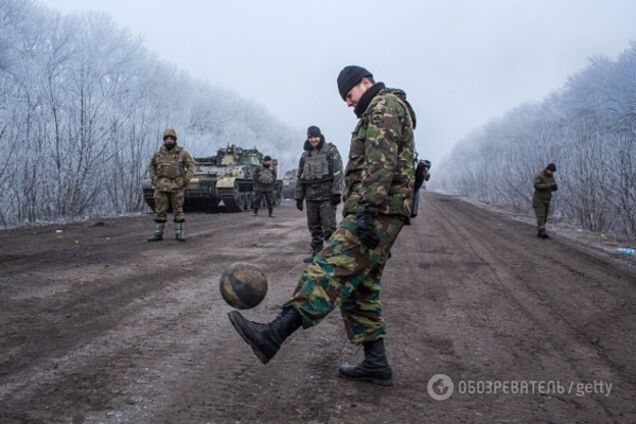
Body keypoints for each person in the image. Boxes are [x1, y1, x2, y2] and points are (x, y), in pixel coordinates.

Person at [228, 66, 416, 386]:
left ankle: (274, 334)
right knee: (360, 288)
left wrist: (367, 211)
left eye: (350, 93)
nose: (348, 102)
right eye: (344, 98)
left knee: (327, 268)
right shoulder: (384, 108)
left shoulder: (384, 107)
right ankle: (376, 363)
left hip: (376, 211)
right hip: (383, 211)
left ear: (365, 82)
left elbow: (380, 163)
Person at [295, 125, 344, 263]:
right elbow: (300, 177)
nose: (313, 140)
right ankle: (316, 252)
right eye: (310, 137)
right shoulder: (305, 155)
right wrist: (299, 196)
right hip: (311, 197)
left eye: (315, 137)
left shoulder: (330, 151)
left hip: (327, 197)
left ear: (320, 136)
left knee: (328, 227)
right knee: (314, 227)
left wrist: (336, 192)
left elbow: (338, 173)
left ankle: (332, 254)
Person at [147, 128, 195, 242]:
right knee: (160, 210)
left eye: (171, 138)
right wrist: (154, 180)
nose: (169, 140)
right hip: (161, 185)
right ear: (164, 140)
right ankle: (158, 233)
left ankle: (180, 233)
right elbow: (152, 166)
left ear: (175, 140)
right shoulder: (158, 154)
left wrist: (184, 181)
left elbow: (191, 167)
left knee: (178, 210)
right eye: (167, 138)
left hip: (176, 185)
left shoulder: (182, 153)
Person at [533, 163, 558, 239]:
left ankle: (540, 231)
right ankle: (542, 231)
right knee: (541, 215)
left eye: (553, 172)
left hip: (547, 199)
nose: (551, 173)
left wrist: (554, 187)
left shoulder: (551, 177)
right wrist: (548, 185)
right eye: (550, 171)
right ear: (547, 169)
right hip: (538, 199)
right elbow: (536, 186)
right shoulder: (539, 176)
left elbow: (552, 184)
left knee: (545, 217)